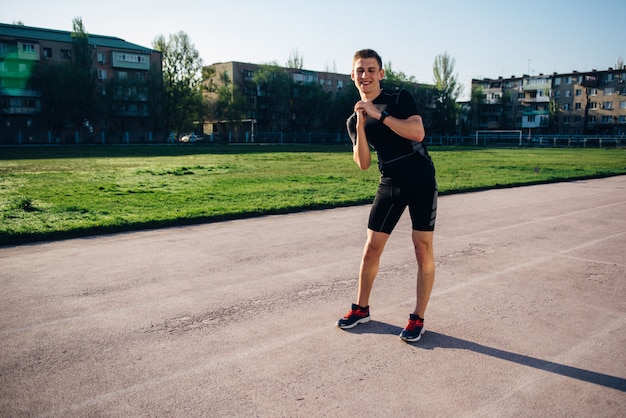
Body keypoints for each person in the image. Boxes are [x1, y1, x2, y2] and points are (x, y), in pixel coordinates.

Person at [336, 49, 437, 343]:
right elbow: (364, 163)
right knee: (371, 248)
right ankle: (361, 309)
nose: (365, 75)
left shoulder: (399, 99)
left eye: (371, 70)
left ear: (381, 73)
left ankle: (417, 318)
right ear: (352, 76)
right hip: (390, 181)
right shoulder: (353, 120)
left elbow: (417, 133)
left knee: (422, 248)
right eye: (360, 70)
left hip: (420, 178)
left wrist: (379, 114)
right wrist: (362, 121)